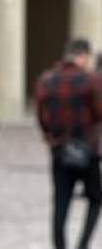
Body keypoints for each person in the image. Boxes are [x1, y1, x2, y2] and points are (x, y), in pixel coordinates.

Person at [35, 38, 102, 249]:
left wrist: (50, 136)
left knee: (60, 202)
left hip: (59, 148)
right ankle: (82, 245)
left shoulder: (46, 80)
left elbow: (41, 115)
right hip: (87, 148)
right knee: (96, 198)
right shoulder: (90, 80)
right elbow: (99, 112)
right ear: (84, 56)